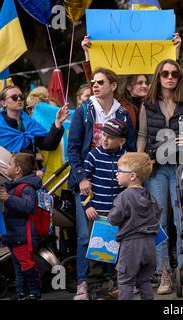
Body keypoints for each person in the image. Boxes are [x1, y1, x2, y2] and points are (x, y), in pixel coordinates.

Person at [68, 68, 136, 300]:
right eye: (93, 82)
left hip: (116, 182)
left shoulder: (124, 114)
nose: (95, 86)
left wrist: (127, 177)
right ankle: (82, 284)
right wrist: (82, 178)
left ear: (113, 85)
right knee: (85, 236)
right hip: (88, 181)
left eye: (100, 82)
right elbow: (73, 148)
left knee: (116, 232)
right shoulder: (84, 110)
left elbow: (131, 148)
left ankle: (118, 281)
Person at [137, 59, 183, 295]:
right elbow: (142, 135)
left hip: (181, 167)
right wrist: (141, 161)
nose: (170, 77)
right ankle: (163, 274)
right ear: (158, 77)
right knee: (159, 222)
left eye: (174, 73)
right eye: (165, 73)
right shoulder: (148, 104)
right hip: (155, 169)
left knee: (181, 220)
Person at [108, 152, 162, 300]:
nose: (116, 174)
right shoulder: (148, 194)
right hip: (149, 245)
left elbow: (113, 219)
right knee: (144, 280)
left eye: (120, 171)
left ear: (132, 176)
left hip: (131, 245)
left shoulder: (124, 196)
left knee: (125, 282)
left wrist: (110, 214)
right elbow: (159, 210)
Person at [0, 153, 42, 300]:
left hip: (21, 235)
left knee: (26, 264)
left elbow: (28, 206)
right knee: (18, 265)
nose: (7, 166)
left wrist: (9, 199)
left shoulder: (26, 187)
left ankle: (34, 292)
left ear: (18, 170)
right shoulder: (14, 185)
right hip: (14, 234)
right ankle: (21, 292)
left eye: (10, 164)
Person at [0, 85, 69, 156]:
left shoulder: (31, 123)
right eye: (14, 97)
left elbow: (49, 145)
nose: (19, 99)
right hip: (4, 170)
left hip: (30, 170)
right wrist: (34, 156)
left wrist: (58, 123)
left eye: (21, 96)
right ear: (4, 103)